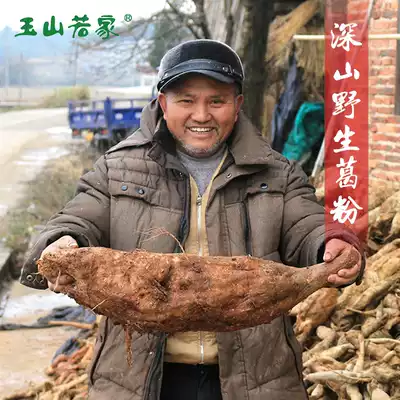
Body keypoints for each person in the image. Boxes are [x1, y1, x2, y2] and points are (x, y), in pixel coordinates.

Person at [20, 39, 365, 400]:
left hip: (256, 381)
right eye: (186, 100)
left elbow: (306, 224)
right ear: (163, 103)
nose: (201, 115)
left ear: (237, 105)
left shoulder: (278, 173)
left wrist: (331, 242)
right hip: (139, 382)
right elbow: (79, 218)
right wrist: (62, 242)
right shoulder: (117, 168)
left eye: (216, 101)